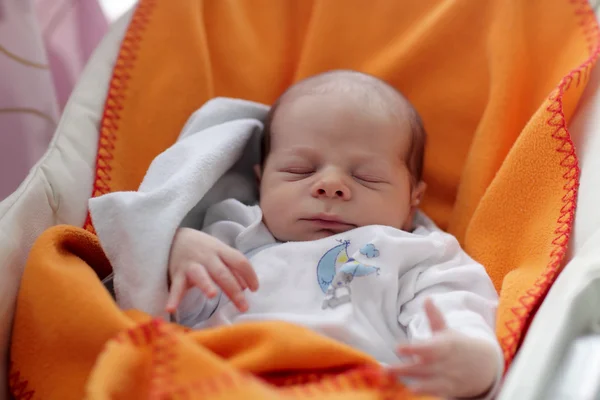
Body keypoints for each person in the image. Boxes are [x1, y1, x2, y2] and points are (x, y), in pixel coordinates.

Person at [165, 70, 502, 399]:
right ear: (260, 181)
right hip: (225, 378)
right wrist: (173, 250)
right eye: (300, 171)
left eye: (367, 177)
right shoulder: (232, 231)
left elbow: (454, 305)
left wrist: (472, 358)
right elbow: (173, 306)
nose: (330, 186)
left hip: (355, 383)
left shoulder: (419, 254)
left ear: (412, 199)